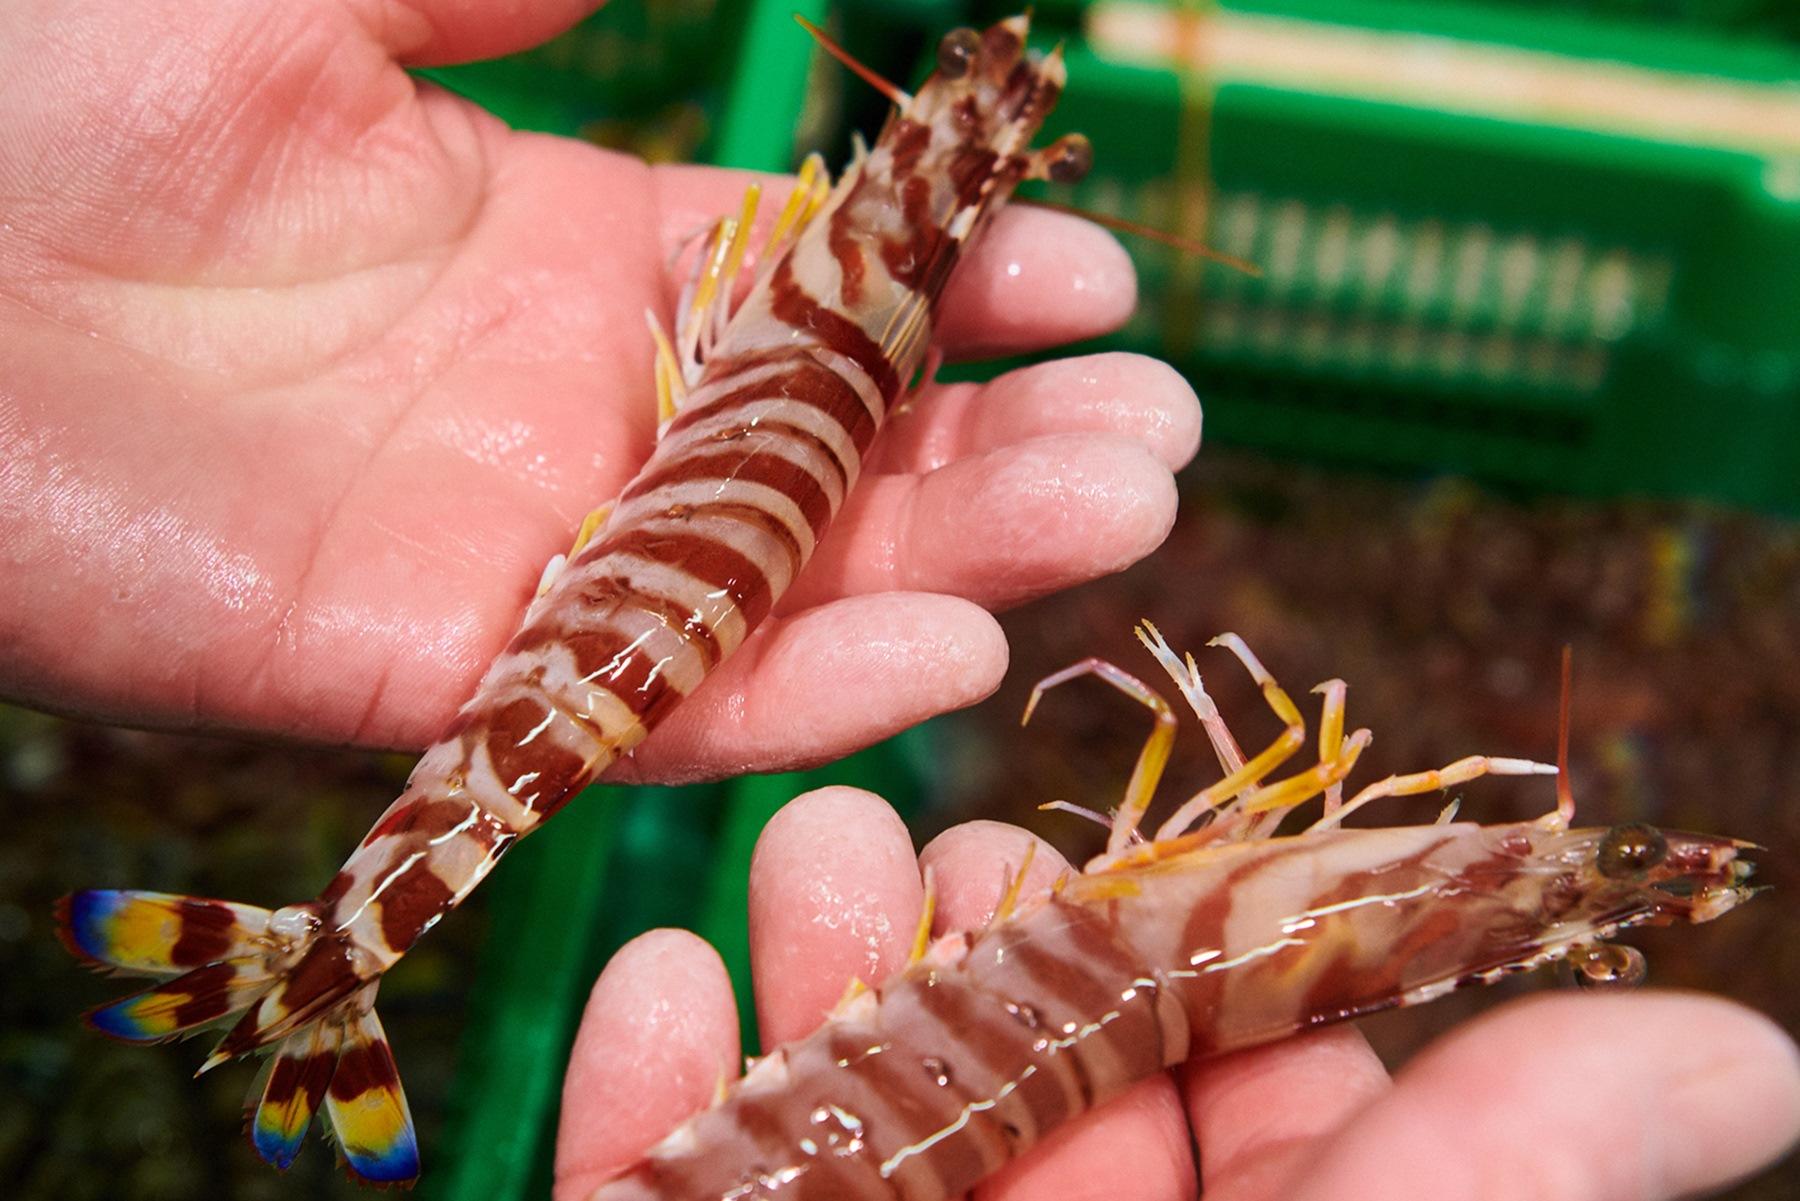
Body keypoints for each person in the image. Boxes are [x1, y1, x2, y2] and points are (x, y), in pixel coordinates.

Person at [2, 4, 1794, 1199]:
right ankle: (328, 957)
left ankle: (327, 956)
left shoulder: (829, 266)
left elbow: (771, 289)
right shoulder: (842, 300)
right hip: (711, 589)